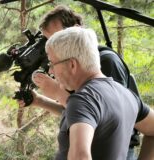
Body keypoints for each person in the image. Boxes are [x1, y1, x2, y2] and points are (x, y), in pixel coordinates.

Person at [25, 5, 139, 159]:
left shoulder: (106, 61)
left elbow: (106, 115)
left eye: (57, 37)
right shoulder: (78, 74)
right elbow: (81, 112)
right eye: (48, 39)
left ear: (76, 29)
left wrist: (58, 92)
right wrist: (39, 101)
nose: (51, 44)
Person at [40, 26, 154, 159]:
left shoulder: (82, 99)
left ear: (72, 64)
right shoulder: (127, 94)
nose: (50, 71)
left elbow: (80, 156)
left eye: (52, 64)